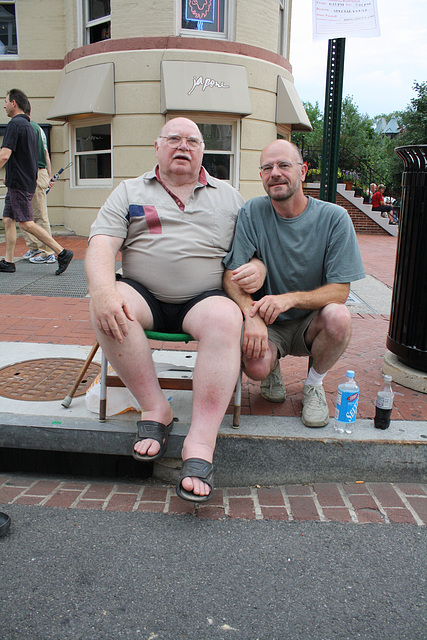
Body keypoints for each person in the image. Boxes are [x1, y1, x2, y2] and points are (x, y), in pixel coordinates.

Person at [85, 117, 263, 503]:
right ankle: (155, 409)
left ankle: (200, 442)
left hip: (204, 297)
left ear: (203, 150)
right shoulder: (129, 190)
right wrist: (101, 290)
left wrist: (259, 268)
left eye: (192, 140)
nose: (183, 145)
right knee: (110, 305)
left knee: (225, 318)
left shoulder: (230, 197)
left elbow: (256, 254)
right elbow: (101, 244)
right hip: (142, 292)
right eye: (174, 138)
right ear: (157, 146)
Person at [223, 139, 365, 428]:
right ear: (261, 175)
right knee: (257, 365)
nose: (275, 172)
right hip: (267, 321)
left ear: (303, 171)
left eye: (284, 165)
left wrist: (289, 299)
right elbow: (231, 276)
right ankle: (272, 368)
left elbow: (341, 291)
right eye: (267, 167)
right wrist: (251, 317)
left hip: (311, 322)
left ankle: (313, 385)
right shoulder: (252, 212)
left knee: (339, 316)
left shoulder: (334, 218)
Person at [0, 89, 73, 275]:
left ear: (14, 103)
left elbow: (4, 155)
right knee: (8, 219)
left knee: (26, 223)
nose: (4, 105)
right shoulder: (31, 127)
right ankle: (8, 262)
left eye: (6, 101)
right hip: (21, 181)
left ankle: (61, 252)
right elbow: (37, 157)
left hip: (19, 183)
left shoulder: (14, 124)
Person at [21, 107, 56, 264]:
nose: (4, 105)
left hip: (33, 174)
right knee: (24, 215)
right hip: (37, 174)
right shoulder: (38, 129)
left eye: (7, 102)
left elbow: (32, 154)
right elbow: (46, 153)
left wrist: (42, 176)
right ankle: (34, 247)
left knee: (39, 216)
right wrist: (49, 176)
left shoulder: (28, 128)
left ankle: (48, 252)